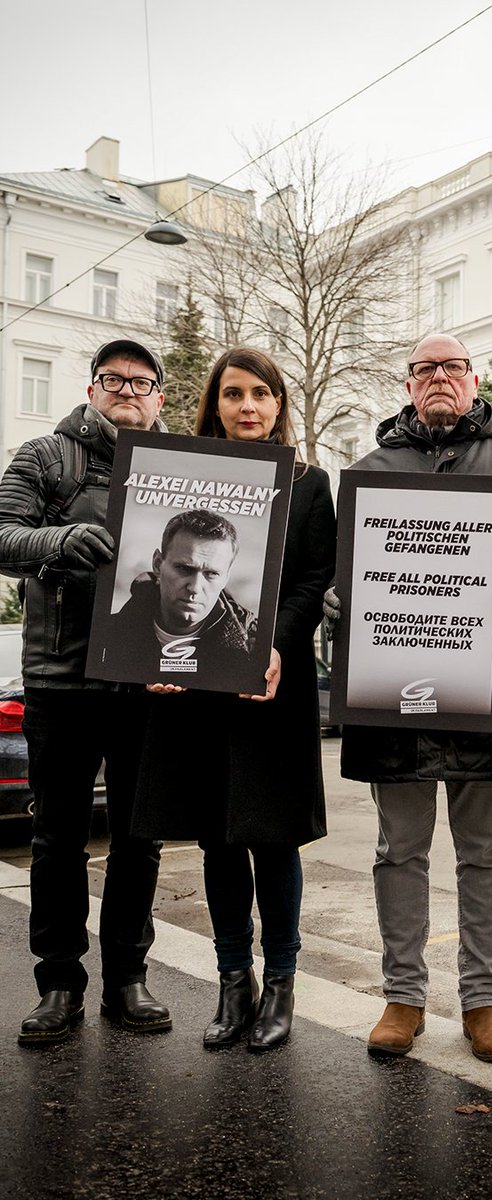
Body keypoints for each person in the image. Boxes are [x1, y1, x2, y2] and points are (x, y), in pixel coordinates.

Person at [325, 332, 492, 1063]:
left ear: (474, 380)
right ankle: (402, 998)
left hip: (486, 694)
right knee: (397, 851)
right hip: (391, 694)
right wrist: (341, 599)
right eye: (424, 369)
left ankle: (482, 1001)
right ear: (409, 386)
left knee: (484, 853)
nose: (439, 378)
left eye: (452, 367)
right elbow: (344, 571)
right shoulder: (370, 474)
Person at [131, 347, 335, 1052]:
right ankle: (232, 981)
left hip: (273, 685)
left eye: (261, 394)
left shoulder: (309, 485)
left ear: (280, 403)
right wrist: (148, 661)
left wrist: (275, 644)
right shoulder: (182, 476)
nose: (247, 406)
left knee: (272, 839)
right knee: (218, 837)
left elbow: (314, 580)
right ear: (214, 404)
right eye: (233, 394)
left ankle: (280, 982)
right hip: (196, 688)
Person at [0, 339, 171, 1045]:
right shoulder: (44, 456)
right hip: (60, 678)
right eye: (113, 380)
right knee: (58, 840)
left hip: (147, 678)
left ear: (161, 393)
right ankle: (60, 985)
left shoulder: (183, 466)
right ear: (92, 386)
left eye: (142, 381)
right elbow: (2, 536)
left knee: (140, 838)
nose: (127, 392)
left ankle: (128, 978)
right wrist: (58, 541)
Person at [108, 510, 255, 680]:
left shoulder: (254, 650)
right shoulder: (106, 636)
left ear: (226, 579)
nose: (195, 588)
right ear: (157, 564)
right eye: (184, 568)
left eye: (211, 574)